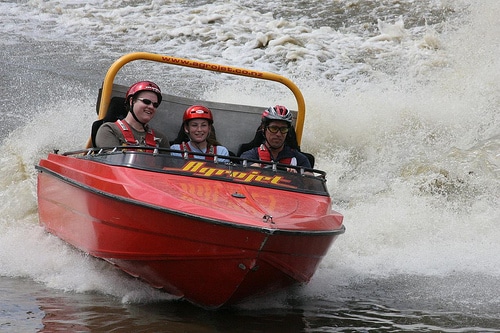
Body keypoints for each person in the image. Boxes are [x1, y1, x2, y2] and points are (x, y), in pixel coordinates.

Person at [95, 80, 170, 148]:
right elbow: (112, 161)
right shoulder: (109, 130)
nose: (151, 107)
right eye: (146, 101)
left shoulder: (161, 139)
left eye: (155, 105)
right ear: (131, 101)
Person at [239, 105, 311, 172]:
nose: (278, 134)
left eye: (283, 129)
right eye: (273, 128)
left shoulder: (300, 159)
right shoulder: (250, 156)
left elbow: (310, 181)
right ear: (264, 129)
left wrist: (298, 178)